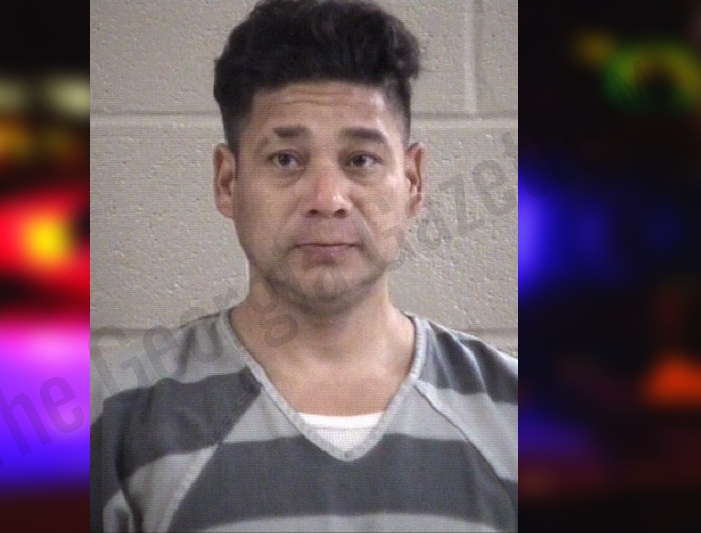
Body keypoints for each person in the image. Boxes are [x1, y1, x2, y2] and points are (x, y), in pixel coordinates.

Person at [90, 0, 517, 531]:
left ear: (413, 182)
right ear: (228, 181)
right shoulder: (119, 420)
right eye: (285, 159)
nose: (327, 199)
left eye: (360, 160)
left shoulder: (518, 414)